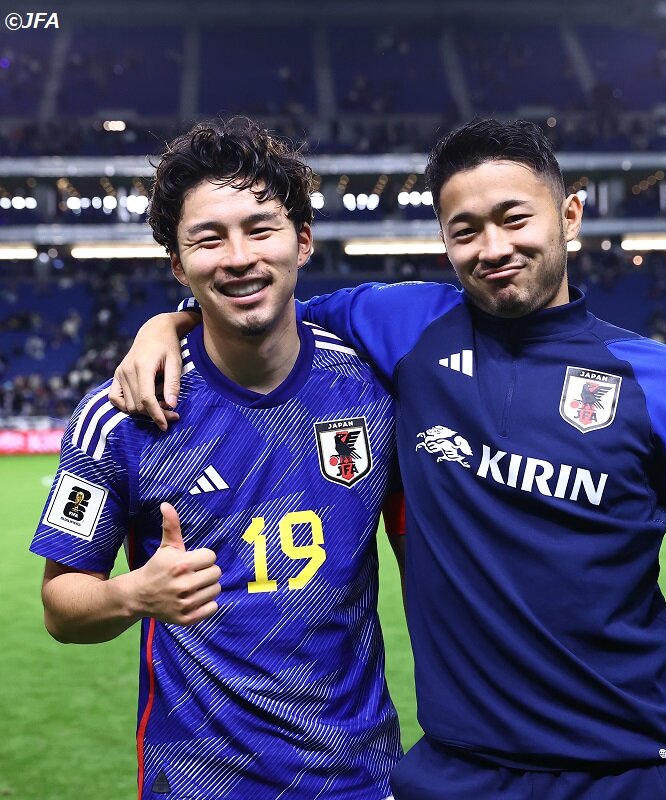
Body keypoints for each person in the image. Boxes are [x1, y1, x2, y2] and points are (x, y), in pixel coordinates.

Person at [111, 118, 666, 800]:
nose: (493, 247)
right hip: (459, 772)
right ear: (443, 240)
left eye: (514, 219)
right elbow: (257, 299)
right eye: (465, 229)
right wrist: (165, 325)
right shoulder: (403, 326)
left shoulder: (663, 380)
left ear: (570, 215)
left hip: (627, 768)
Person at [30, 117, 405, 800]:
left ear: (303, 240)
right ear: (178, 263)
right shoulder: (120, 417)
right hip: (200, 783)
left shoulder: (373, 389)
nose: (237, 257)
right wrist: (130, 594)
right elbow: (61, 606)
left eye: (260, 229)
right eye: (208, 238)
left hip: (360, 779)